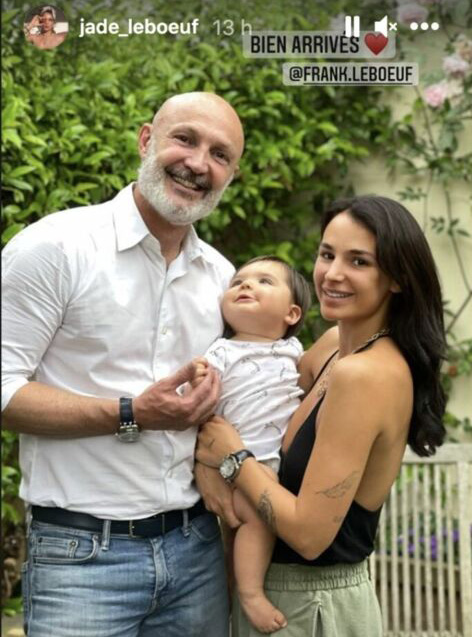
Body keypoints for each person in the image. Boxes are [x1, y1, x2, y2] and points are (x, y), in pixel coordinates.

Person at [2, 91, 245, 637]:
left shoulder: (225, 281)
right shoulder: (55, 248)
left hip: (197, 553)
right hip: (81, 556)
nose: (198, 163)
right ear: (146, 140)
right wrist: (132, 411)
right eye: (185, 139)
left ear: (230, 174)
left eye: (220, 154)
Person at [196, 195, 447, 636]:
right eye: (327, 254)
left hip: (311, 605)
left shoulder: (365, 374)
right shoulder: (334, 345)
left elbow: (310, 534)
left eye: (359, 261)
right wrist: (205, 460)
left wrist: (232, 459)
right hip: (278, 597)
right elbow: (257, 397)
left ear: (397, 279)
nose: (332, 274)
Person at [192, 255, 311, 633]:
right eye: (238, 282)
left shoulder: (295, 352)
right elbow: (198, 404)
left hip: (274, 463)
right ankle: (250, 593)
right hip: (239, 462)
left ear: (291, 313)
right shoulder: (220, 352)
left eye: (263, 281)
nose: (245, 285)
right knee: (257, 523)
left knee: (264, 519)